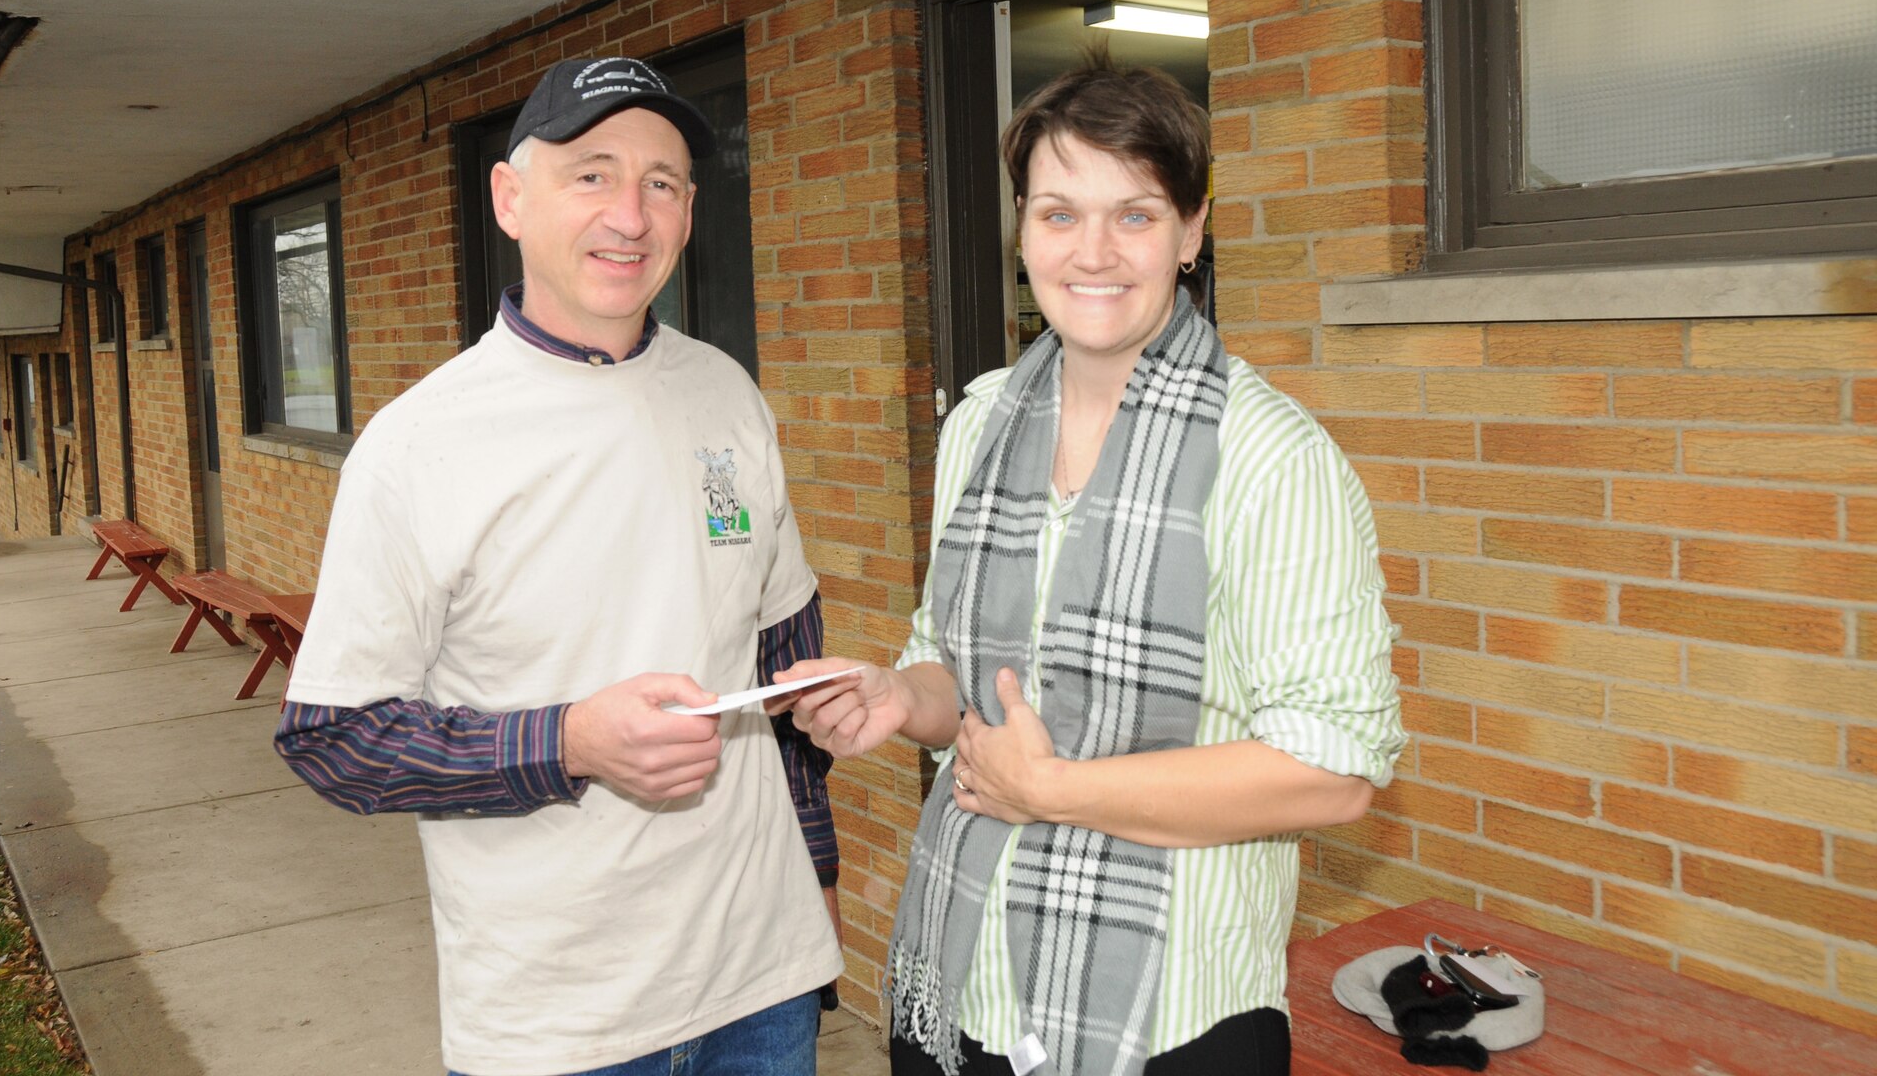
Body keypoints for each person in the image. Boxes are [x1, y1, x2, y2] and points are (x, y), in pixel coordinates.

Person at [777, 63, 1405, 1076]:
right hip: (962, 979)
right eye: (1059, 212)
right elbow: (960, 675)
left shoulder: (1270, 457)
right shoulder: (981, 420)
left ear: (1191, 231)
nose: (1094, 252)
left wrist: (1055, 788)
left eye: (1135, 214)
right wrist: (901, 693)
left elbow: (1331, 770)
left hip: (1167, 1016)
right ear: (1022, 231)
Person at [275, 56, 843, 1076]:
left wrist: (817, 873)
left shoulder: (725, 394)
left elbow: (778, 656)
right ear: (510, 196)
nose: (629, 212)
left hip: (761, 981)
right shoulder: (417, 446)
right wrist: (571, 739)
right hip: (557, 1021)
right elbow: (335, 737)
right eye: (591, 173)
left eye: (660, 182)